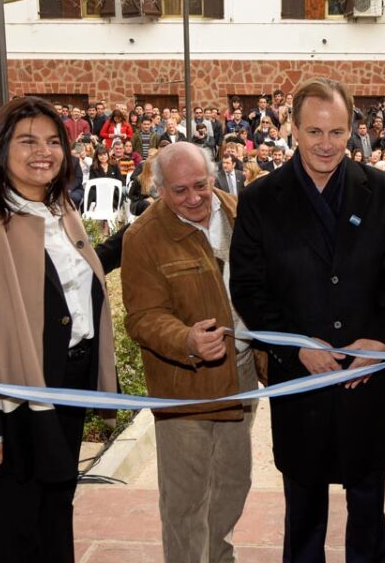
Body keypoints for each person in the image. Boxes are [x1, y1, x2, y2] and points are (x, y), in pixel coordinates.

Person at [229, 78, 385, 562]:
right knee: (305, 517)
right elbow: (248, 289)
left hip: (364, 379)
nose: (326, 144)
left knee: (368, 515)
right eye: (314, 132)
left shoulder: (379, 190)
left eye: (337, 132)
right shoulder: (259, 198)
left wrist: (380, 341)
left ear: (352, 128)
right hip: (301, 384)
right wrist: (294, 346)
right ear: (292, 129)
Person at [0, 96, 118, 561]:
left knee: (58, 504)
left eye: (52, 141)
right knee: (19, 522)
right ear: (2, 148)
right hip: (15, 395)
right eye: (28, 141)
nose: (43, 151)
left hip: (69, 384)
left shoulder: (60, 209)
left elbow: (67, 286)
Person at [121, 142, 258, 563]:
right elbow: (143, 316)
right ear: (159, 189)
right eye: (179, 191)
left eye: (200, 184)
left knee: (233, 480)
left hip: (242, 374)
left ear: (214, 176)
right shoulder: (143, 237)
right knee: (185, 497)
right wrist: (186, 340)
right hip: (185, 384)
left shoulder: (242, 212)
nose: (194, 198)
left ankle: (219, 555)